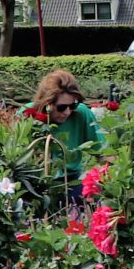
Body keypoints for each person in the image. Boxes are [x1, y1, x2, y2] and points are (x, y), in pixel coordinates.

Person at [30, 69, 106, 199]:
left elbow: (103, 153)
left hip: (70, 180)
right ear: (46, 103)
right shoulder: (28, 115)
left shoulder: (81, 113)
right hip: (36, 182)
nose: (67, 112)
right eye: (61, 107)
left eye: (72, 106)